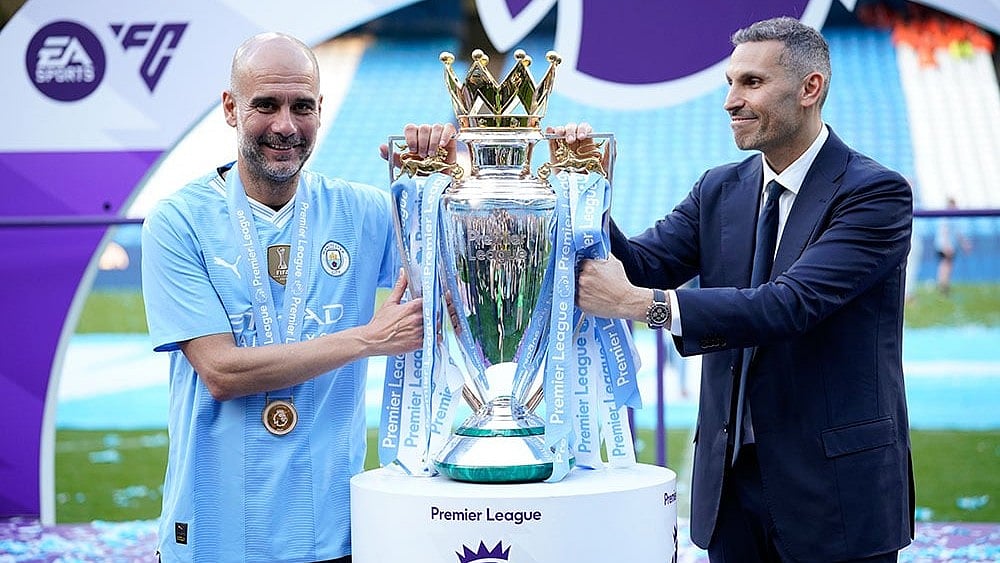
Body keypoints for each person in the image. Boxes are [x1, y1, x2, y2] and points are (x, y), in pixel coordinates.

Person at [569, 17, 915, 562]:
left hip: (835, 493)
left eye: (751, 82)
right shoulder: (719, 188)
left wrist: (641, 307)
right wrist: (585, 189)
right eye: (730, 83)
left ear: (810, 88)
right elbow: (638, 264)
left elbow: (789, 304)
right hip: (729, 491)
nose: (730, 100)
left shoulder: (874, 193)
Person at [141, 33, 451, 562]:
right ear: (230, 108)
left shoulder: (365, 211)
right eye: (266, 105)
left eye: (301, 106)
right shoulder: (178, 221)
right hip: (217, 535)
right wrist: (366, 340)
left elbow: (468, 279)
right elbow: (221, 372)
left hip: (331, 534)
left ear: (320, 111)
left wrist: (448, 180)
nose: (285, 125)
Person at [934, 196, 972, 295]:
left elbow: (958, 233)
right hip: (944, 245)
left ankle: (943, 285)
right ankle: (942, 286)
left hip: (949, 245)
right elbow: (944, 232)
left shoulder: (953, 217)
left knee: (947, 265)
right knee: (945, 265)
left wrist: (965, 244)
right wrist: (946, 245)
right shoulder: (946, 217)